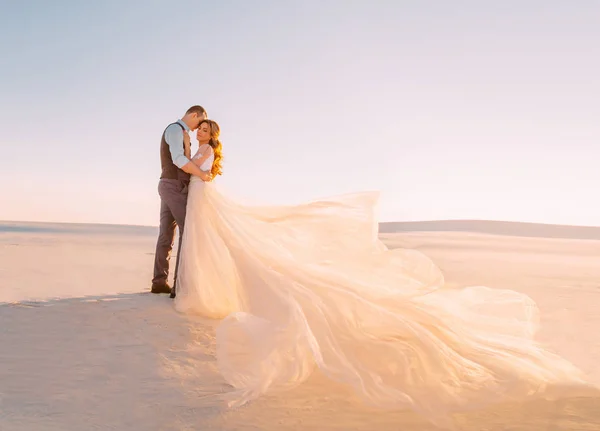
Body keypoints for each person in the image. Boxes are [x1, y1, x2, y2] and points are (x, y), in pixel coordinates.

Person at [173, 119, 592, 424]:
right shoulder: (198, 143)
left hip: (207, 199)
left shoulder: (206, 152)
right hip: (202, 203)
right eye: (202, 130)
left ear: (215, 137)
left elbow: (203, 172)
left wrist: (190, 162)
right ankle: (203, 293)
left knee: (247, 251)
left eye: (209, 131)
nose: (204, 134)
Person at [150, 106, 212, 295]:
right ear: (194, 115)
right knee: (188, 232)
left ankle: (159, 282)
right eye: (197, 124)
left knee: (166, 235)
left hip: (169, 185)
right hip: (174, 186)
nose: (196, 130)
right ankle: (180, 286)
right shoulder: (176, 130)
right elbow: (178, 159)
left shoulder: (181, 133)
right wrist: (202, 174)